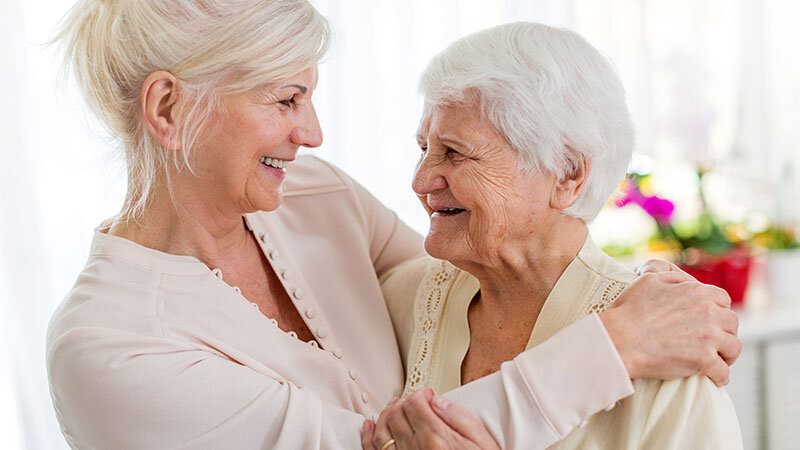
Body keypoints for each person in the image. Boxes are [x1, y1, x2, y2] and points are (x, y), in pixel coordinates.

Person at [46, 2, 740, 449]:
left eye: (311, 96)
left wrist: (668, 301)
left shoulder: (313, 197)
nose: (313, 133)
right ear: (167, 109)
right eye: (287, 99)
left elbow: (475, 273)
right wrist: (617, 343)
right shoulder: (109, 346)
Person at [369, 22, 742, 449]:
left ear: (567, 173)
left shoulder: (675, 356)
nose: (421, 181)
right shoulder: (406, 300)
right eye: (423, 149)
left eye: (455, 152)